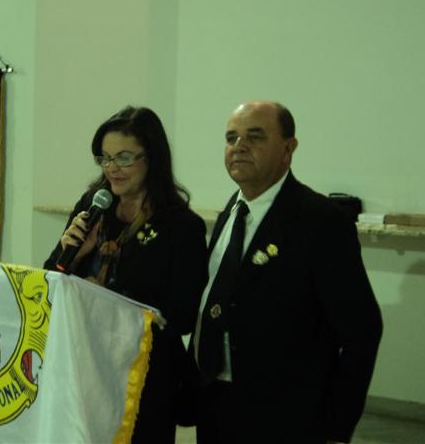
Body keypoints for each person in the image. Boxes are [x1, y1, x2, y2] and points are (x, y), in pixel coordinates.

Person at [194, 100, 383, 443]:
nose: (239, 147)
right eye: (231, 138)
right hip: (217, 405)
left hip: (286, 415)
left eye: (255, 137)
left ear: (288, 148)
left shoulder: (320, 221)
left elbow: (363, 331)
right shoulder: (233, 211)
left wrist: (336, 427)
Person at [44, 105, 208, 443]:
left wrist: (105, 300)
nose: (112, 169)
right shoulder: (94, 204)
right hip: (84, 366)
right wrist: (72, 254)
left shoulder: (180, 225)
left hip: (143, 376)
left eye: (123, 158)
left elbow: (181, 316)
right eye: (104, 158)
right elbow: (51, 279)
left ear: (152, 158)